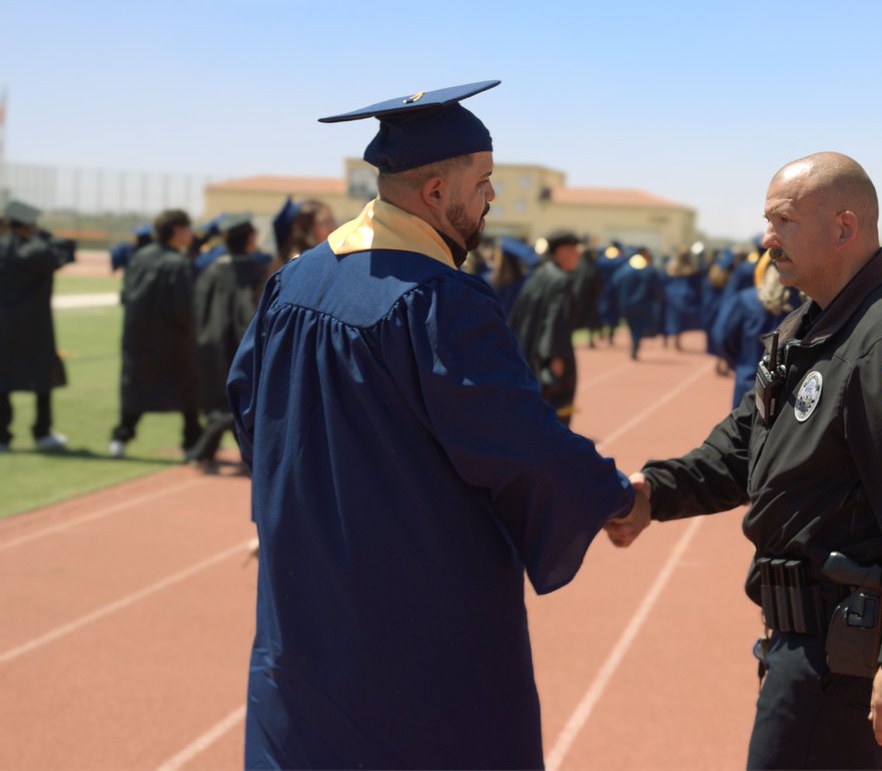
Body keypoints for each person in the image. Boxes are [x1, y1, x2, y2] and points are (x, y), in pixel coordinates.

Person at [228, 80, 641, 771]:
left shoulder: (294, 282)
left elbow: (251, 409)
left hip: (307, 590)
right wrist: (617, 496)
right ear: (433, 194)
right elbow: (517, 440)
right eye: (482, 184)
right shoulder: (439, 301)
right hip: (415, 606)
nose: (490, 200)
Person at [607, 152, 882, 770]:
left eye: (782, 220)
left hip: (849, 661)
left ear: (844, 227)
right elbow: (740, 451)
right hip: (808, 649)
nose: (766, 237)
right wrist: (650, 495)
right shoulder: (811, 329)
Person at [108, 209, 201, 458]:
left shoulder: (139, 257)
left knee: (135, 389)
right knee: (186, 390)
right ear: (177, 231)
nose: (191, 234)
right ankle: (191, 442)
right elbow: (184, 306)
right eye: (188, 229)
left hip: (137, 337)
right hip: (173, 340)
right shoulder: (178, 263)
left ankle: (121, 437)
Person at [185, 216, 267, 471]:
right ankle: (205, 452)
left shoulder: (211, 269)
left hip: (209, 342)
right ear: (250, 239)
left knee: (221, 399)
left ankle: (220, 455)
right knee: (241, 399)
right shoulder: (254, 270)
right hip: (241, 343)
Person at [0, 200, 76, 451]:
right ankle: (42, 432)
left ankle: (2, 435)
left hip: (4, 325)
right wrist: (42, 235)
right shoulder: (38, 250)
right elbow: (66, 251)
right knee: (41, 378)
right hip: (35, 326)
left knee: (3, 380)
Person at [507, 230, 583, 426]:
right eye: (574, 250)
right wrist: (555, 360)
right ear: (562, 251)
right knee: (555, 418)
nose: (578, 255)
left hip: (527, 355)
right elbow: (556, 322)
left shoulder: (537, 276)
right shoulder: (561, 281)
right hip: (548, 360)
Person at [712, 253, 801, 408]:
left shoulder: (746, 299)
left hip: (748, 382)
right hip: (788, 391)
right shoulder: (802, 303)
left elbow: (723, 336)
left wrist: (740, 363)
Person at [610, 247, 662, 359]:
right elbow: (657, 288)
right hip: (643, 304)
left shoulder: (623, 270)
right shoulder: (649, 270)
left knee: (633, 326)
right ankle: (635, 343)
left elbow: (614, 284)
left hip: (627, 304)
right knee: (638, 327)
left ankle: (635, 343)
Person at [269, 195, 337, 272]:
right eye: (325, 223)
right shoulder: (297, 267)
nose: (333, 228)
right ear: (306, 230)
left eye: (333, 222)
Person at [662, 246, 704, 350]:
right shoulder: (692, 268)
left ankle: (670, 338)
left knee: (672, 318)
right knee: (679, 320)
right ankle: (676, 339)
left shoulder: (670, 267)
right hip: (686, 295)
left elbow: (664, 281)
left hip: (671, 295)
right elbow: (697, 284)